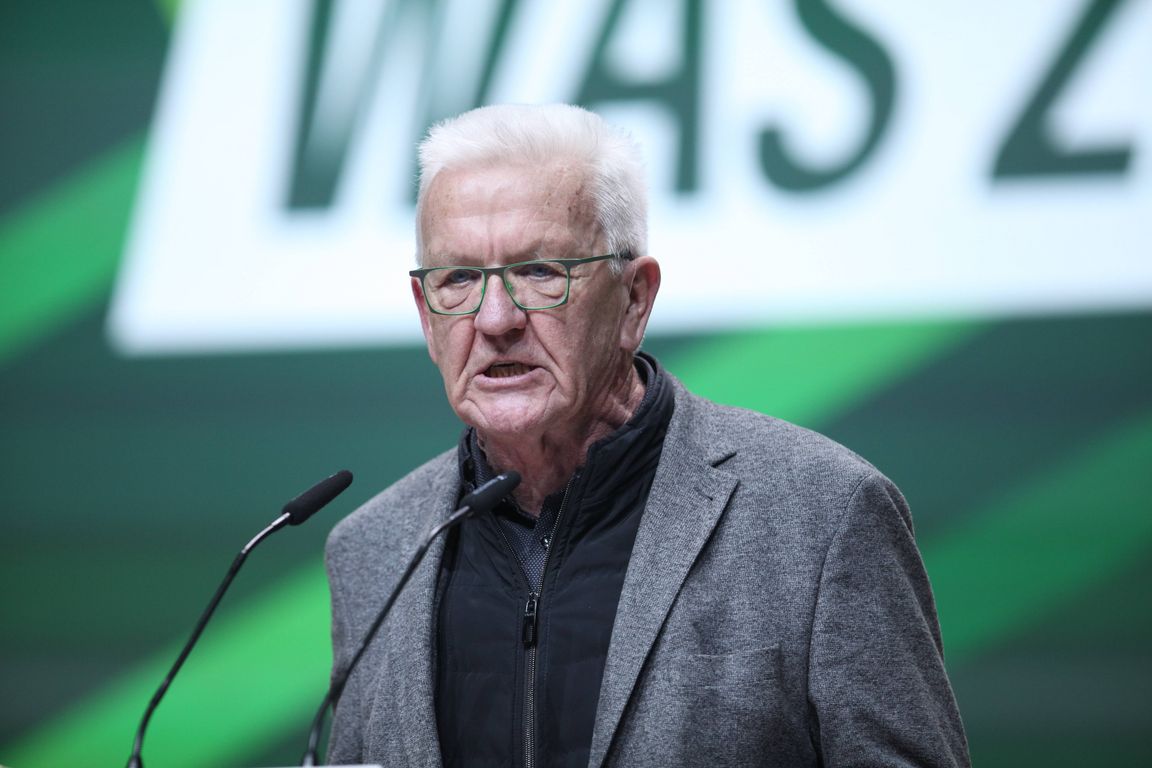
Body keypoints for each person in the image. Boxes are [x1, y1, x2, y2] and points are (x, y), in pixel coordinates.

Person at [324, 103, 969, 767]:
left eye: (540, 271)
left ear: (634, 299)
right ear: (426, 317)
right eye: (458, 279)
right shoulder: (373, 551)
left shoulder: (821, 516)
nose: (495, 318)